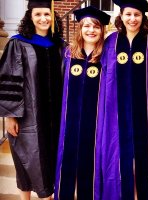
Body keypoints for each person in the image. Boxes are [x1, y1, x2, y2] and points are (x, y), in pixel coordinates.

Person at [94, 0, 148, 199]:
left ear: (143, 16)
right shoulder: (111, 41)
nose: (132, 19)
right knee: (120, 157)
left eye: (136, 14)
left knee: (146, 157)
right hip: (118, 112)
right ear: (121, 16)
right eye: (128, 14)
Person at [0, 0, 64, 199]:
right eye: (38, 15)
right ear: (30, 17)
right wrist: (10, 116)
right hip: (28, 116)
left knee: (50, 160)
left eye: (47, 14)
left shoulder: (61, 45)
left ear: (53, 17)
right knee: (26, 161)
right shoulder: (17, 43)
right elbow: (8, 79)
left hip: (55, 116)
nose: (43, 19)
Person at [53, 6, 110, 200]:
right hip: (68, 121)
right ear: (80, 28)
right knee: (66, 162)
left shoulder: (107, 56)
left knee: (91, 164)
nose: (91, 30)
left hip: (95, 124)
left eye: (96, 26)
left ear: (102, 30)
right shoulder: (68, 55)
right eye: (86, 26)